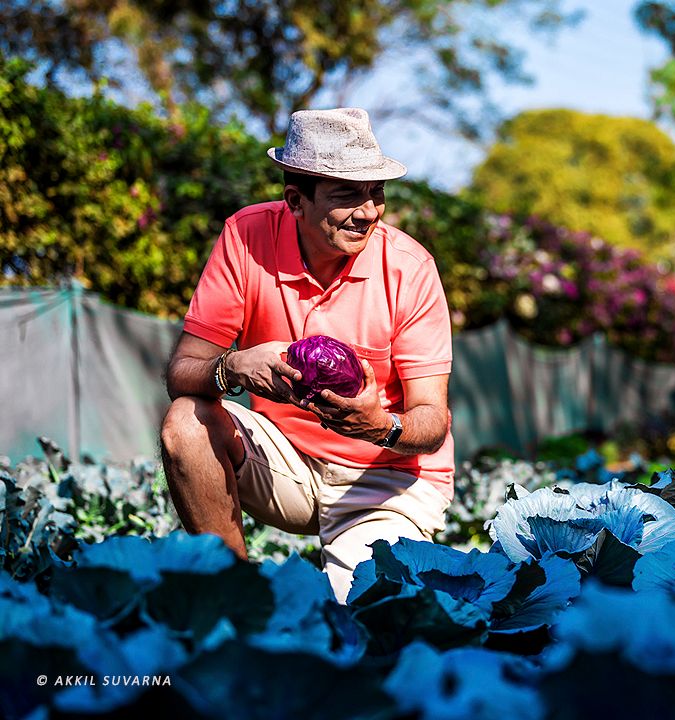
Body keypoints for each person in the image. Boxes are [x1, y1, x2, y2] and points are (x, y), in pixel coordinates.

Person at [160, 108, 454, 603]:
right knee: (186, 421)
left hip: (387, 480)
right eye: (347, 195)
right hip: (288, 465)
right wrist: (234, 366)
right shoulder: (246, 237)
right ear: (296, 200)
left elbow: (432, 422)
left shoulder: (410, 268)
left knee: (354, 620)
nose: (369, 212)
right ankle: (235, 598)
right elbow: (182, 373)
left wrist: (379, 424)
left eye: (376, 192)